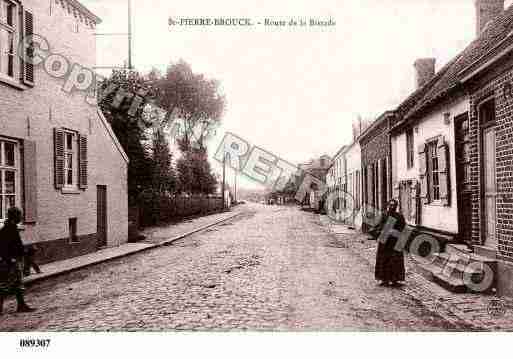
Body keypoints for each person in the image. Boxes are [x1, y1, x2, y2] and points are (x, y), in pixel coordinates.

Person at [0, 207, 36, 315]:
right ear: (14, 216)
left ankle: (21, 305)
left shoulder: (12, 228)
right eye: (19, 215)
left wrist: (24, 251)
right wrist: (9, 259)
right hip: (11, 262)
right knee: (5, 285)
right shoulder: (7, 229)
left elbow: (16, 245)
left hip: (16, 260)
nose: (21, 217)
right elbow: (2, 247)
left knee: (18, 284)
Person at [370, 199, 406, 287]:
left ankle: (395, 279)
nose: (392, 207)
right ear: (388, 206)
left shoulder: (399, 216)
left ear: (396, 207)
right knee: (383, 260)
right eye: (390, 205)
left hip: (394, 242)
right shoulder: (384, 215)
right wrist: (381, 231)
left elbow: (403, 228)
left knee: (394, 260)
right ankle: (384, 279)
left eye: (394, 206)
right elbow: (377, 226)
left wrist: (395, 232)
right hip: (384, 242)